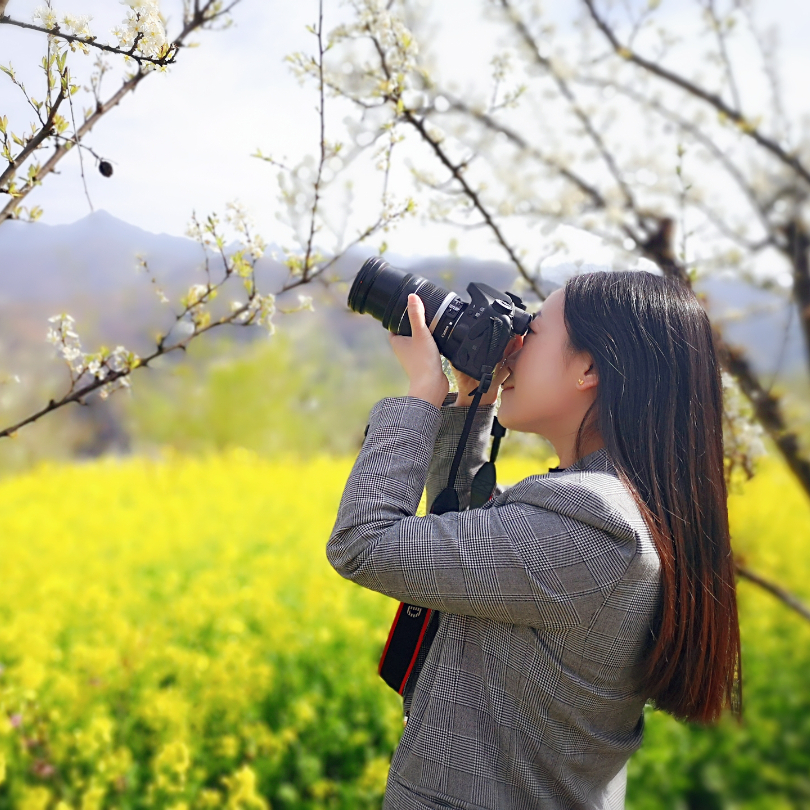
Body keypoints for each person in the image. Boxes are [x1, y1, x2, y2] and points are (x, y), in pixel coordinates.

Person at [327, 270, 742, 810]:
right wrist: (474, 402)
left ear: (589, 367)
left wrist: (423, 396)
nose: (514, 345)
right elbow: (480, 558)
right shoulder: (613, 507)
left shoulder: (594, 526)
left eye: (534, 330)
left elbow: (365, 541)